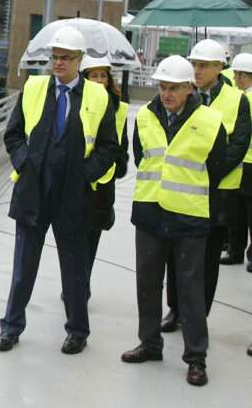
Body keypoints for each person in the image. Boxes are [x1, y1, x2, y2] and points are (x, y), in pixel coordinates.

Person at [0, 26, 118, 355]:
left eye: (66, 58)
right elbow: (13, 135)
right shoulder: (34, 88)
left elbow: (109, 148)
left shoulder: (97, 96)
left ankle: (77, 331)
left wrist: (84, 176)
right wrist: (24, 163)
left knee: (75, 269)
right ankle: (11, 327)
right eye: (55, 57)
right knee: (23, 267)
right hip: (34, 192)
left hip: (74, 196)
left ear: (80, 60)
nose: (59, 63)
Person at [120, 55, 227, 387]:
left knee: (190, 290)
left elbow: (217, 168)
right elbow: (142, 158)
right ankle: (150, 344)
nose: (166, 94)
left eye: (174, 89)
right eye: (162, 87)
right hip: (151, 213)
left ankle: (196, 358)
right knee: (147, 285)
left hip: (189, 216)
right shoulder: (146, 117)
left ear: (189, 88)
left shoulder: (210, 121)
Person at [161, 39, 250, 331]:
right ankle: (174, 310)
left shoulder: (238, 100)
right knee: (175, 257)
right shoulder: (184, 93)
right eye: (194, 64)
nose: (197, 70)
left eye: (203, 65)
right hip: (182, 193)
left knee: (209, 260)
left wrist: (210, 173)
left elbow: (238, 144)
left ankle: (198, 315)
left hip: (219, 194)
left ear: (219, 67)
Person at [80, 55, 129, 291]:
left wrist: (120, 164)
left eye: (103, 75)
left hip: (104, 182)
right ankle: (75, 280)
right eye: (94, 75)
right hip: (78, 180)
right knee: (74, 235)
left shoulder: (119, 108)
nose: (99, 80)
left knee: (92, 235)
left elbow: (124, 144)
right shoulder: (76, 102)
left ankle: (83, 281)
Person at [227, 52, 252, 273]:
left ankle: (236, 251)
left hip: (246, 162)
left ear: (244, 76)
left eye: (236, 75)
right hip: (248, 161)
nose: (234, 79)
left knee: (240, 211)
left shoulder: (244, 99)